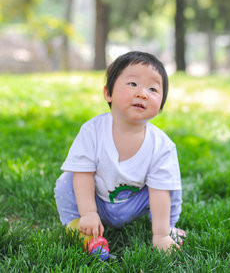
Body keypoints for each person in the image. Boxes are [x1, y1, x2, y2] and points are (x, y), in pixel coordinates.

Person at [54, 51, 185, 252]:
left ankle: (168, 228)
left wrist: (160, 235)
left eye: (153, 89)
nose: (142, 93)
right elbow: (83, 173)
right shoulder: (92, 131)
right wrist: (89, 212)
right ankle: (79, 227)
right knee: (66, 181)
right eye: (132, 84)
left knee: (169, 186)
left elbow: (158, 191)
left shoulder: (162, 146)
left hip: (137, 201)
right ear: (108, 93)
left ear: (160, 107)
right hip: (97, 199)